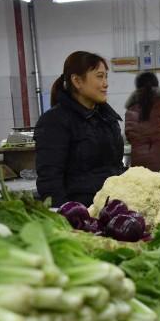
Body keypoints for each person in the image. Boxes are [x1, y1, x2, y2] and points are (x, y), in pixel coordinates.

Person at [34, 51, 124, 207]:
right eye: (99, 76)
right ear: (77, 81)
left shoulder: (107, 118)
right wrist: (67, 217)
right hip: (80, 213)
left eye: (106, 76)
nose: (106, 83)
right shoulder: (55, 121)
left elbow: (114, 167)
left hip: (110, 210)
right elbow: (50, 180)